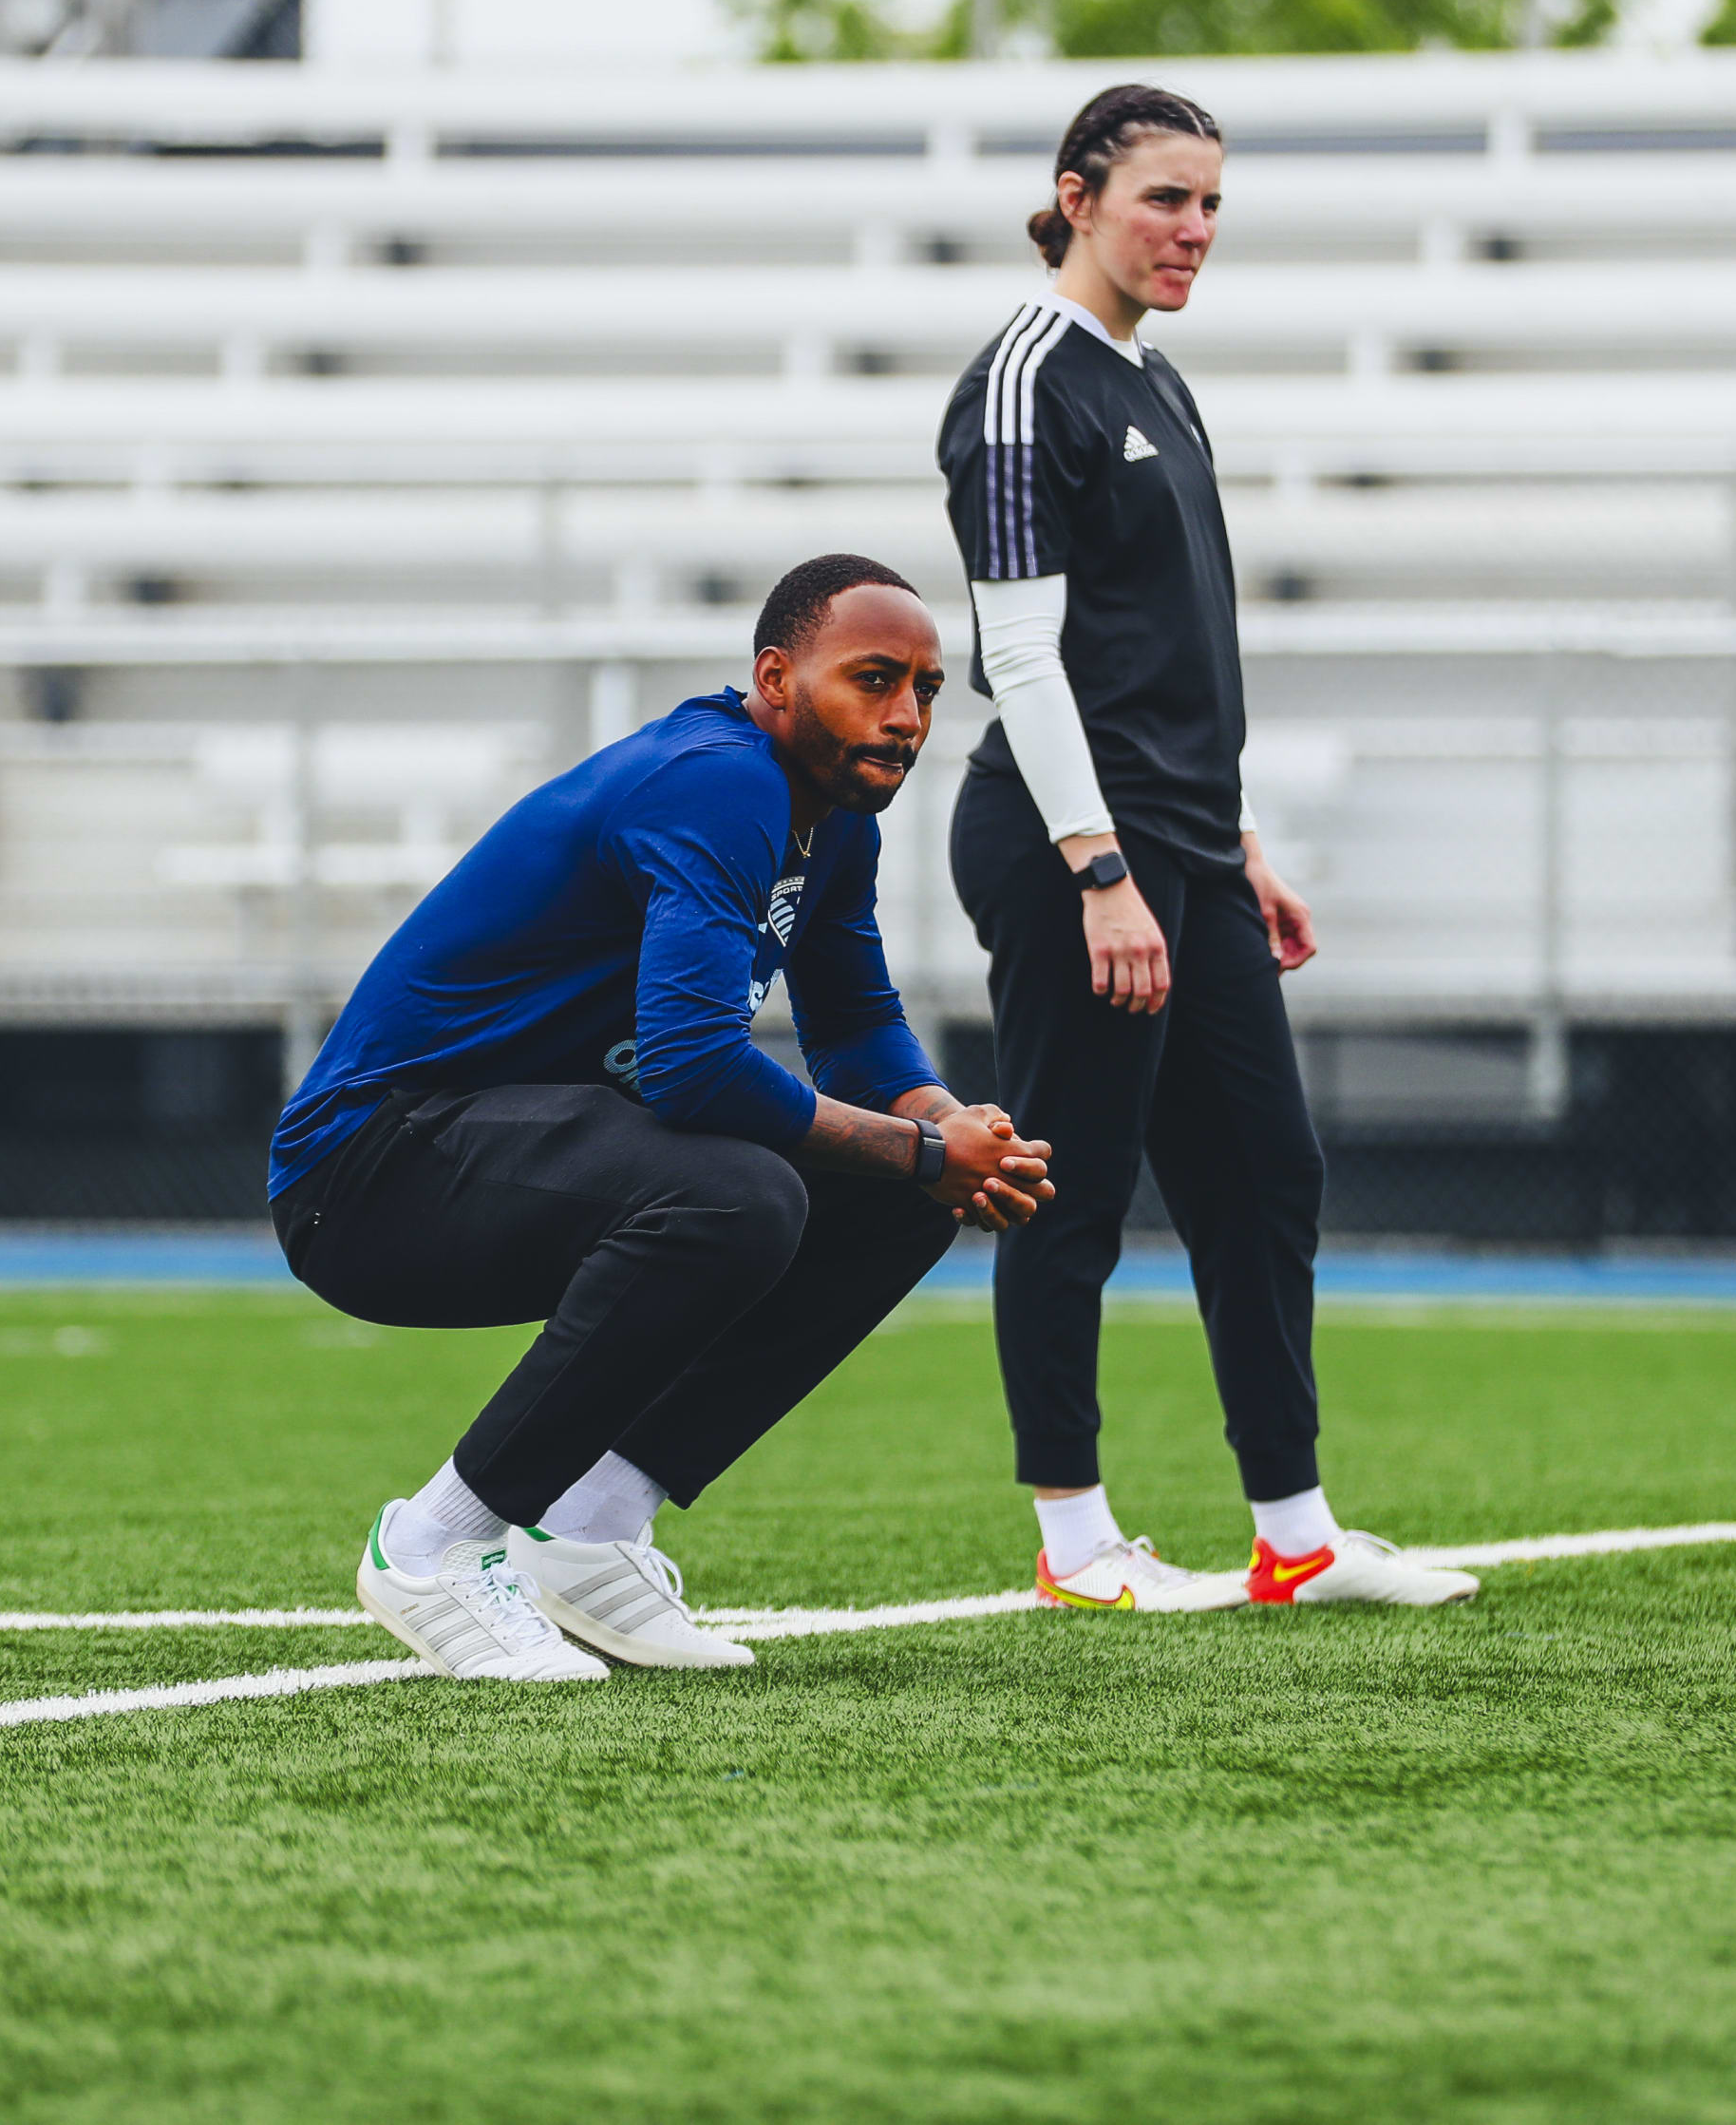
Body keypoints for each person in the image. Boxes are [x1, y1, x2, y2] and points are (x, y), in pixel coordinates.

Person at [272, 556, 1052, 1682]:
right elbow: (691, 1069)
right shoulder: (720, 782)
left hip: (520, 1145)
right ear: (775, 680)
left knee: (895, 1203)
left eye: (926, 689)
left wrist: (952, 1134)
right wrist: (927, 1150)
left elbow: (858, 1024)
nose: (907, 717)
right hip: (366, 1172)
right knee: (739, 1196)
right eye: (874, 679)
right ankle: (432, 1547)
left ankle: (588, 1531)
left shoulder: (836, 820)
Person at [940, 84, 1477, 1614]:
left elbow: (1165, 652)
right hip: (1074, 849)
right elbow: (1024, 657)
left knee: (1263, 1171)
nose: (1194, 230)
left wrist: (1233, 844)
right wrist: (1102, 871)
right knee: (1076, 1182)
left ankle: (1296, 1533)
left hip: (1183, 844)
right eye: (1165, 198)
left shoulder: (1157, 379)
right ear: (1078, 197)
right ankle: (1074, 1542)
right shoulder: (1022, 383)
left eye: (1212, 204)